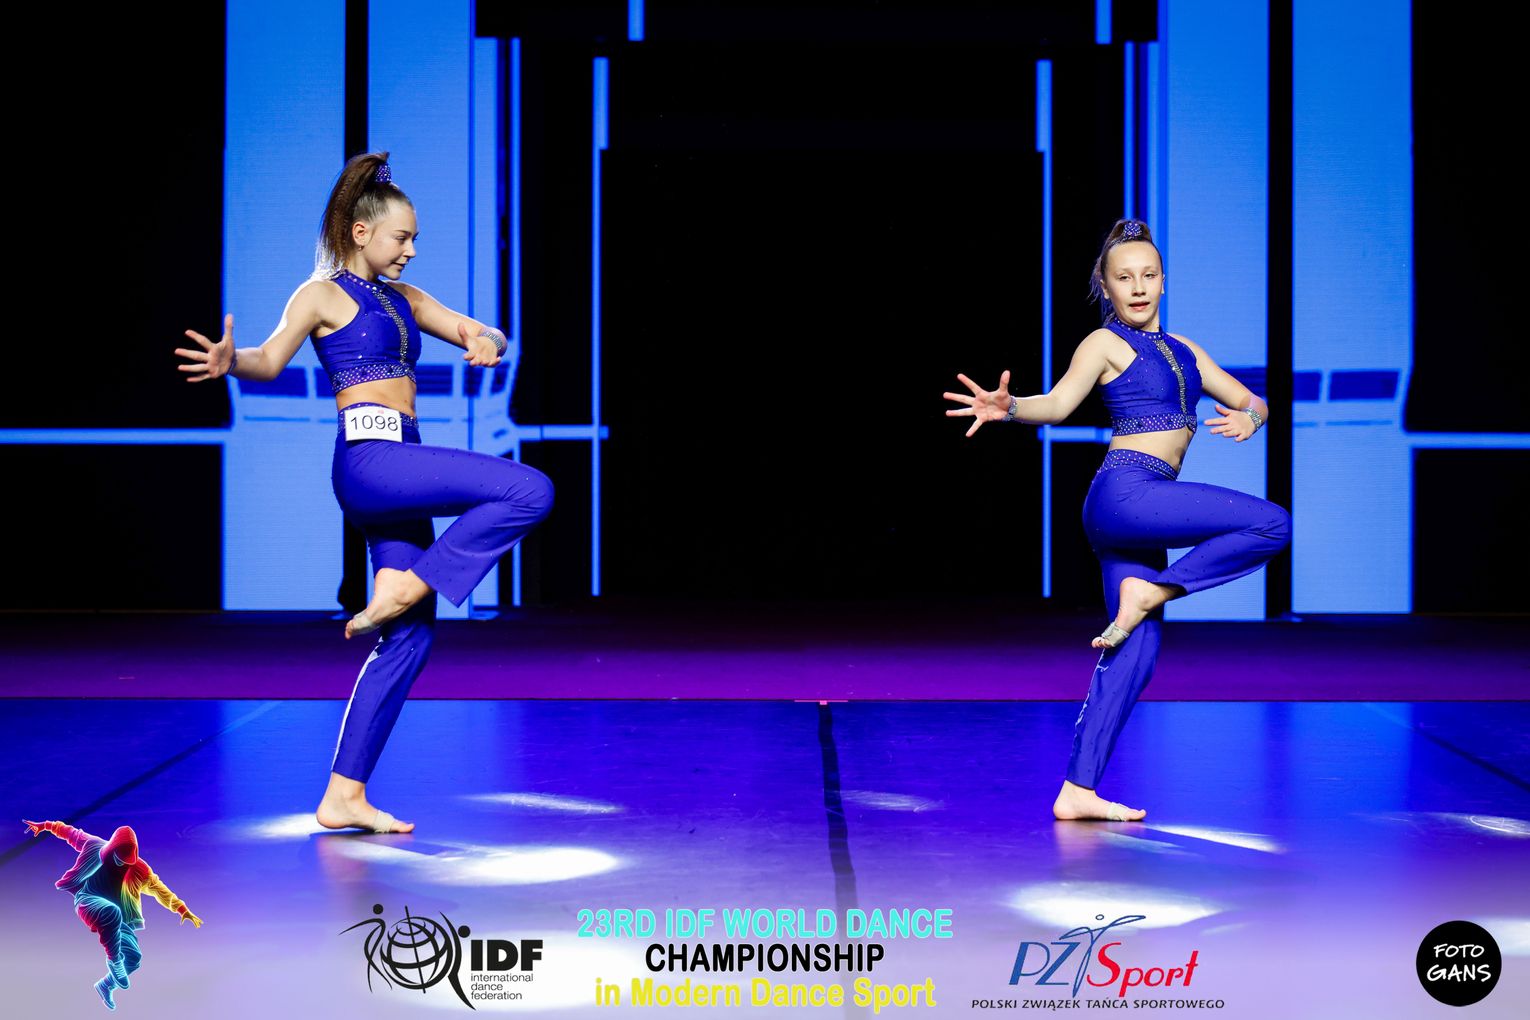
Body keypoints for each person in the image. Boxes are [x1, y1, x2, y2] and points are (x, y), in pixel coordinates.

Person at [176, 152, 555, 834]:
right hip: (370, 464)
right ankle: (413, 583)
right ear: (360, 232)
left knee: (409, 638)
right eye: (401, 237)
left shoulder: (407, 299)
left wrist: (488, 341)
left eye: (415, 239)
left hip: (402, 464)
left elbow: (480, 329)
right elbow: (268, 358)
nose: (411, 249)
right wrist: (233, 363)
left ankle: (343, 795)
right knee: (529, 489)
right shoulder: (320, 294)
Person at [943, 218, 1291, 823]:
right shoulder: (1103, 343)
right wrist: (1011, 407)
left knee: (1136, 651)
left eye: (1148, 275)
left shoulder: (1187, 350)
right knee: (1271, 524)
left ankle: (1078, 790)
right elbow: (1057, 404)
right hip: (1127, 494)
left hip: (1142, 510)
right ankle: (1152, 590)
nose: (1138, 287)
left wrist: (1251, 418)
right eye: (1124, 278)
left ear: (1163, 281)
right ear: (1106, 287)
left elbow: (1251, 398)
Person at [23, 819, 203, 1011]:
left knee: (133, 959)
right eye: (119, 859)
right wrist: (46, 826)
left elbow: (160, 890)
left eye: (127, 862)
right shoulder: (94, 845)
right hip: (88, 900)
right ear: (111, 850)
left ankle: (105, 985)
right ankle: (114, 961)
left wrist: (182, 909)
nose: (122, 864)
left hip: (120, 918)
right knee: (111, 912)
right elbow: (70, 832)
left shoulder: (140, 869)